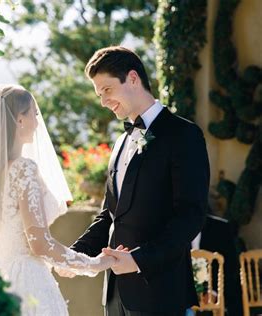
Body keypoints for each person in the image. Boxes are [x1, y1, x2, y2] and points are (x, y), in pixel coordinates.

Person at [58, 46, 210, 316]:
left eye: (106, 90)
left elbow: (190, 216)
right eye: (98, 94)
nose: (103, 101)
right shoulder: (120, 143)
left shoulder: (184, 134)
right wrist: (75, 255)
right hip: (114, 296)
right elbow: (109, 215)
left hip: (160, 293)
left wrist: (139, 259)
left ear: (132, 78)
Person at [0, 84, 116, 315]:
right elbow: (40, 244)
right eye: (34, 114)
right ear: (19, 119)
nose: (37, 123)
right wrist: (94, 264)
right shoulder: (22, 169)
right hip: (27, 280)